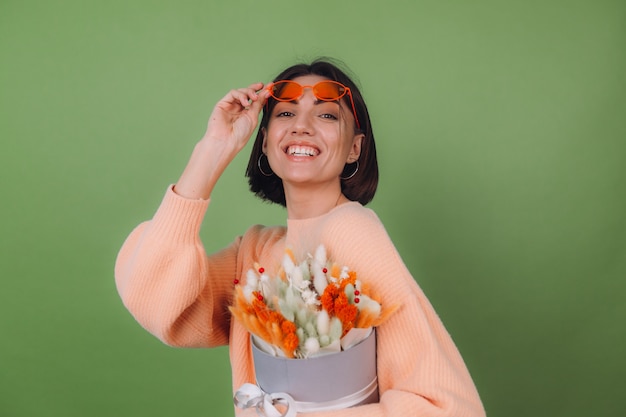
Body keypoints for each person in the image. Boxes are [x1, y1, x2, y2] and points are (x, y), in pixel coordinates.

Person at [115, 59, 486, 416]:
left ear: (354, 147)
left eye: (326, 114)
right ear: (264, 142)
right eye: (285, 113)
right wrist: (213, 149)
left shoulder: (353, 232)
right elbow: (159, 307)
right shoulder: (257, 252)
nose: (302, 126)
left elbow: (447, 407)